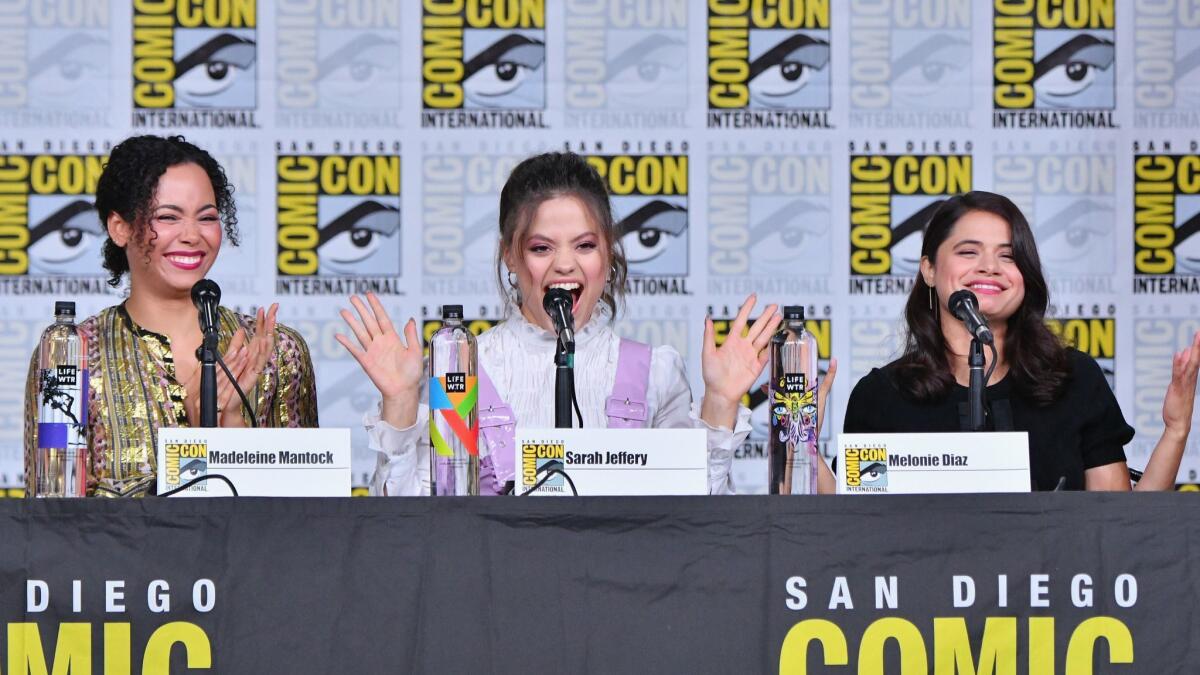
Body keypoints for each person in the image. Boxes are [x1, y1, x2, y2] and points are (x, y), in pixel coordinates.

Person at [339, 151, 786, 496]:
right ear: (510, 257)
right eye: (541, 248)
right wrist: (399, 403)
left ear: (608, 254)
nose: (565, 265)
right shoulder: (464, 371)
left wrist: (722, 404)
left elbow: (698, 522)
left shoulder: (655, 372)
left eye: (585, 245)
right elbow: (411, 522)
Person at [837, 191, 1200, 492]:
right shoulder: (882, 395)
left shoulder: (1074, 380)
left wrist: (1176, 430)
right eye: (968, 251)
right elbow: (852, 525)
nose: (990, 266)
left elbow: (1120, 530)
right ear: (929, 269)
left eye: (1008, 256)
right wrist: (802, 436)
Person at [22, 135, 318, 497]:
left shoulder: (277, 351)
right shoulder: (71, 355)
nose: (192, 235)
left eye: (207, 217)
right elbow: (53, 513)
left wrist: (229, 430)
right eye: (168, 217)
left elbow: (305, 515)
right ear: (121, 228)